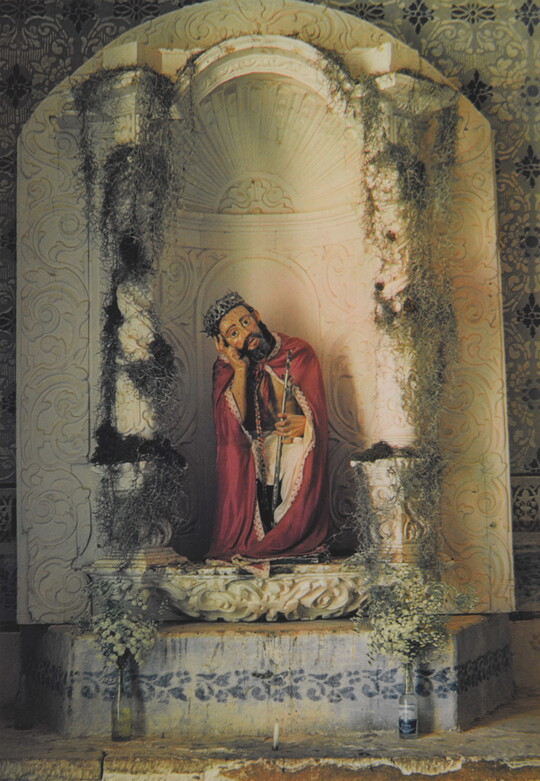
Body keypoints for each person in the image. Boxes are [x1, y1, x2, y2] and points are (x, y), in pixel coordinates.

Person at [203, 291, 329, 560]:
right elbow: (231, 427)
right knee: (242, 457)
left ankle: (288, 533)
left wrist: (303, 424)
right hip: (256, 445)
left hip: (292, 441)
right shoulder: (227, 368)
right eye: (233, 334)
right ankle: (259, 535)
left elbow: (317, 417)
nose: (245, 335)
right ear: (225, 344)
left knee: (295, 455)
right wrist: (239, 370)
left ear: (256, 317)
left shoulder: (297, 352)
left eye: (246, 323)